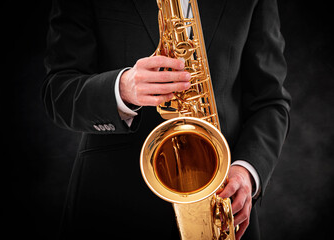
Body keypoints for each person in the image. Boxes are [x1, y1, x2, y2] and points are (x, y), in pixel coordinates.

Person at [42, 0, 291, 239]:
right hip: (112, 210)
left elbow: (270, 102)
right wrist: (123, 88)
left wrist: (246, 173)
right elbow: (58, 93)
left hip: (220, 210)